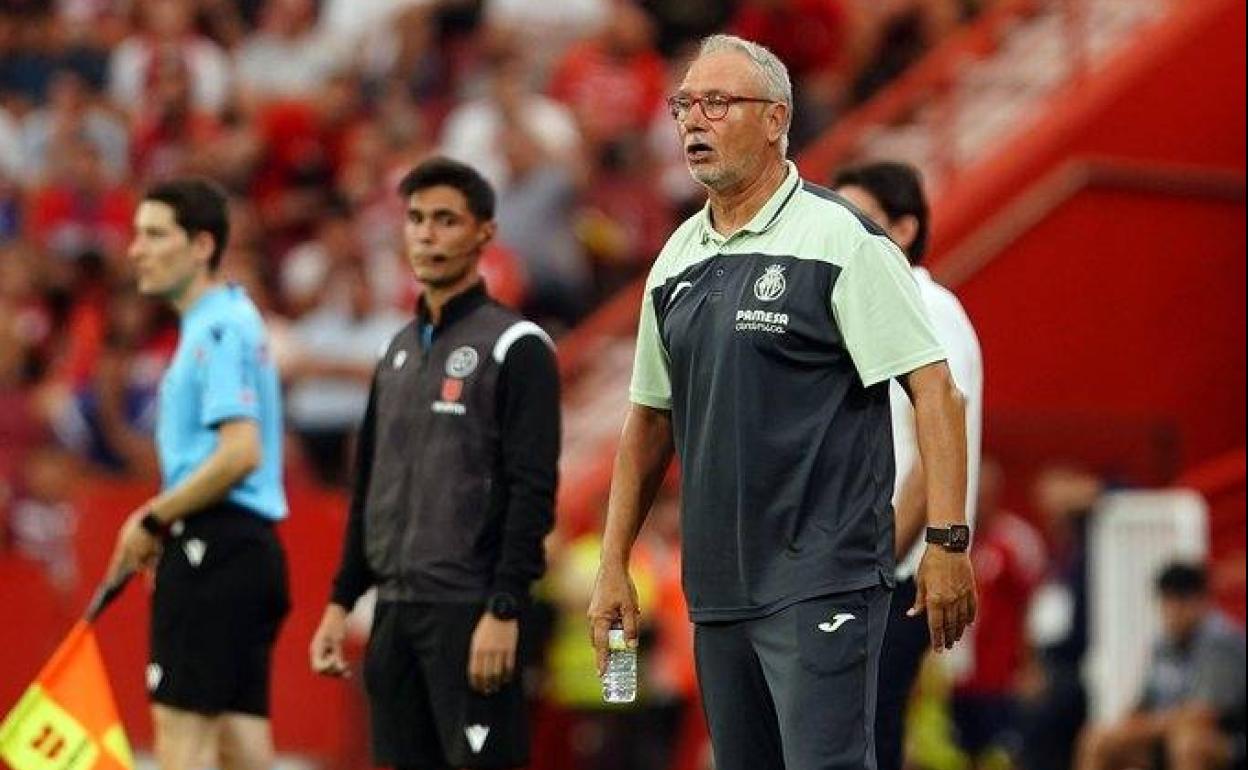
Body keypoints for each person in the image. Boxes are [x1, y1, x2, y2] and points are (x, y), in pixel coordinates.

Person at [587, 34, 976, 770]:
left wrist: (947, 545)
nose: (692, 121)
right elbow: (648, 421)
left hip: (821, 578)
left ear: (775, 119)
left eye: (716, 103)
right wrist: (614, 563)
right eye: (683, 105)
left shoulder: (844, 241)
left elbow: (937, 393)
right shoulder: (676, 259)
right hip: (718, 589)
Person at [308, 157, 560, 770]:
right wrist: (342, 602)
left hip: (471, 612)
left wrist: (504, 607)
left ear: (483, 234)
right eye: (416, 219)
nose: (426, 234)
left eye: (446, 220)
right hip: (394, 613)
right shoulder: (394, 352)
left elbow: (533, 490)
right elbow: (368, 487)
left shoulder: (516, 346)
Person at [106, 177, 290, 770]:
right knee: (241, 748)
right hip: (243, 550)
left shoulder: (218, 327)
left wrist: (153, 517)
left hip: (212, 547)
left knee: (181, 741)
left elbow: (241, 452)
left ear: (202, 245)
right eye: (137, 234)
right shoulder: (227, 318)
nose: (136, 249)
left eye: (155, 234)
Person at [831, 160, 984, 770]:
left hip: (898, 573)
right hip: (878, 568)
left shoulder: (928, 306)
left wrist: (872, 561)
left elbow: (937, 448)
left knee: (868, 732)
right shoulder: (873, 308)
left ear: (902, 228)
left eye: (858, 217)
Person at [1075, 562, 1246, 770]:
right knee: (1097, 740)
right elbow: (1141, 705)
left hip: (1226, 741)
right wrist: (1123, 729)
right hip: (1164, 735)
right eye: (1167, 601)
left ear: (1202, 602)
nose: (1172, 612)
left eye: (1180, 602)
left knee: (1187, 744)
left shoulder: (1221, 642)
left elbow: (1203, 716)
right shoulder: (1163, 644)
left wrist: (1142, 729)